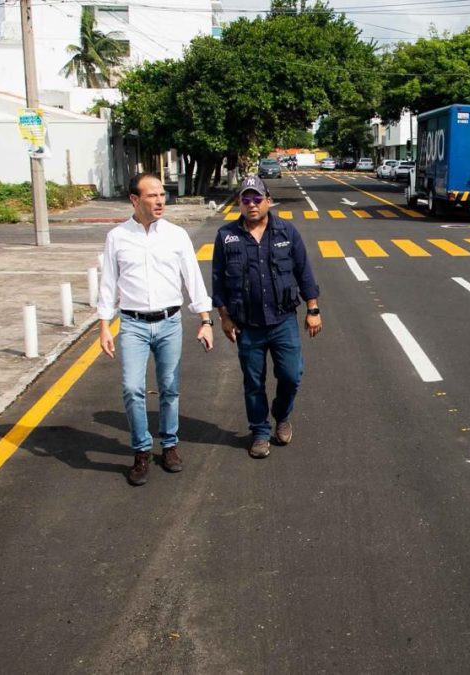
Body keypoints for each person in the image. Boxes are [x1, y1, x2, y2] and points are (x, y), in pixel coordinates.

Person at [97, 172, 214, 486]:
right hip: (132, 324)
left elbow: (193, 278)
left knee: (169, 387)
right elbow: (108, 284)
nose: (160, 200)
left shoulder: (176, 236)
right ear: (135, 200)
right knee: (132, 388)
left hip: (169, 322)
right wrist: (104, 326)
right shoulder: (117, 237)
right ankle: (141, 450)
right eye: (152, 195)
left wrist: (206, 320)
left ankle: (170, 444)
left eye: (162, 194)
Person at [211, 175, 321, 459]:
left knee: (291, 374)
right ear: (240, 203)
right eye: (246, 199)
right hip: (247, 324)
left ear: (268, 201)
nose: (252, 204)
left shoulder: (287, 232)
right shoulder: (226, 236)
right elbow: (218, 281)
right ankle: (260, 432)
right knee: (253, 382)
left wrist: (313, 308)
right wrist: (223, 317)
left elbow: (303, 272)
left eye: (257, 198)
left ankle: (282, 414)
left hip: (283, 320)